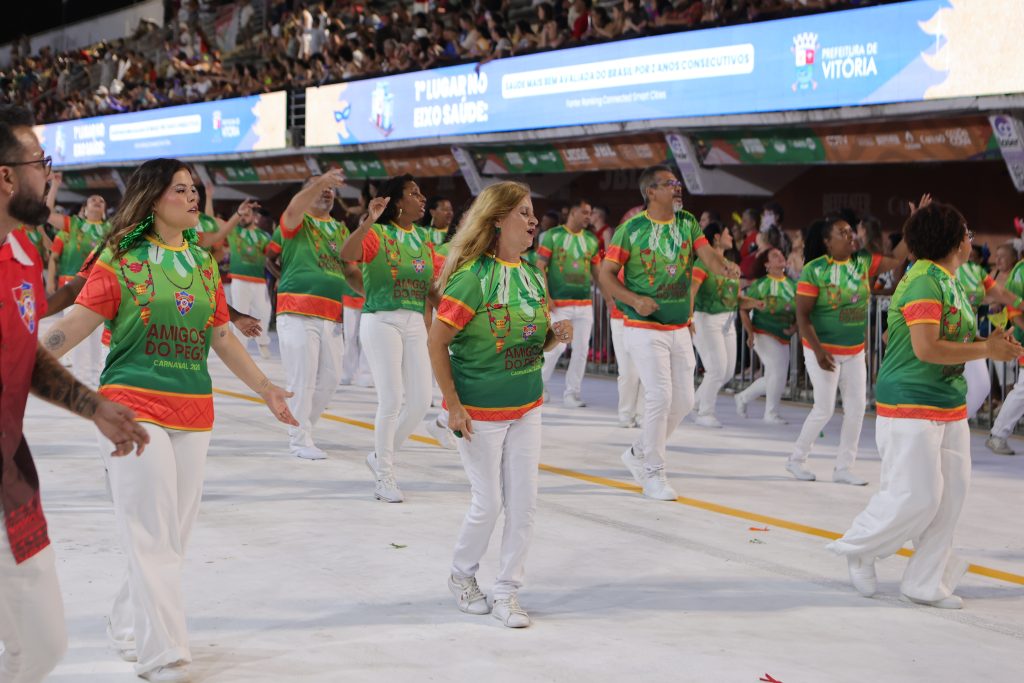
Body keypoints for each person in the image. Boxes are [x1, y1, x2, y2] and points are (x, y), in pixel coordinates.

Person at [41, 158, 296, 683]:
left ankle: (126, 623)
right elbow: (76, 323)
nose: (192, 196)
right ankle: (166, 655)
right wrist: (19, 359)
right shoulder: (121, 257)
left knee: (170, 538)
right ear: (154, 199)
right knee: (151, 534)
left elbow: (220, 335)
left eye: (193, 188)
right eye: (180, 189)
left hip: (194, 409)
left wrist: (266, 387)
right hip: (131, 405)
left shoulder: (203, 262)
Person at [0, 108, 149, 683]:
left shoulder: (22, 254)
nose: (49, 175)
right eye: (40, 163)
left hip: (11, 476)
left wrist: (93, 406)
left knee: (43, 644)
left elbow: (25, 352)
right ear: (6, 176)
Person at [828, 202, 1021, 609]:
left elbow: (954, 339)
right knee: (917, 496)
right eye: (967, 234)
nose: (971, 241)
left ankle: (924, 581)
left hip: (947, 402)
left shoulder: (950, 279)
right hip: (909, 401)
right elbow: (927, 348)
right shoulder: (922, 282)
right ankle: (860, 548)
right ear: (952, 241)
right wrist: (986, 349)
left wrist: (990, 343)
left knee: (950, 499)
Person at [428, 181, 570, 629]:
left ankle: (507, 590)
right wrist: (453, 405)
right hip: (480, 412)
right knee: (488, 504)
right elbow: (437, 342)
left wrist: (553, 337)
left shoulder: (532, 275)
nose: (533, 220)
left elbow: (531, 342)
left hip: (527, 405)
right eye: (523, 213)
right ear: (496, 220)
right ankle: (461, 575)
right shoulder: (472, 278)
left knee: (524, 504)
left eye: (533, 213)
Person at [599, 165, 740, 500]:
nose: (678, 188)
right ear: (651, 191)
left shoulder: (687, 223)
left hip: (678, 327)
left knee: (686, 400)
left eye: (678, 183)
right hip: (644, 327)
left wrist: (724, 267)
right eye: (669, 184)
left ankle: (637, 452)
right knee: (659, 396)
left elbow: (707, 256)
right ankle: (653, 473)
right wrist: (634, 300)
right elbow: (606, 275)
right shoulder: (631, 230)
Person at [340, 174, 442, 503]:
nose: (422, 198)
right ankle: (385, 476)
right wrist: (369, 220)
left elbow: (431, 288)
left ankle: (378, 456)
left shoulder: (425, 239)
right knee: (392, 399)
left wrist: (454, 315)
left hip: (415, 321)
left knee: (421, 401)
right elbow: (347, 253)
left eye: (421, 192)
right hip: (381, 318)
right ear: (397, 201)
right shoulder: (379, 234)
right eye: (414, 193)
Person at [788, 213, 910, 485]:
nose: (850, 235)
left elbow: (897, 257)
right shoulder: (814, 270)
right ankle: (796, 459)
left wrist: (913, 222)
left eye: (850, 231)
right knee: (824, 408)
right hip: (822, 350)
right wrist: (818, 351)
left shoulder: (862, 262)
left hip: (854, 351)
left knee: (856, 409)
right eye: (842, 233)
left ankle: (844, 467)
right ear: (827, 241)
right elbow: (803, 316)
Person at [269, 169, 353, 461]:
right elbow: (293, 209)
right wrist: (321, 181)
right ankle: (299, 439)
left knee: (331, 379)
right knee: (302, 379)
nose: (327, 191)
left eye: (331, 189)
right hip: (297, 311)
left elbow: (350, 270)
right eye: (319, 187)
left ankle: (302, 427)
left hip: (332, 315)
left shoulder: (341, 229)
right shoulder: (297, 220)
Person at [689, 221, 762, 427]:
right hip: (706, 319)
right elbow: (691, 292)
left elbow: (735, 299)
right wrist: (689, 319)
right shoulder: (702, 264)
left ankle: (694, 403)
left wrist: (756, 303)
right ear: (716, 238)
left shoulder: (731, 265)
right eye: (728, 233)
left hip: (728, 321)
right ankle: (705, 412)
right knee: (717, 369)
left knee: (728, 372)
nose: (732, 237)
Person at [537, 198, 603, 407]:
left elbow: (598, 273)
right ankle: (538, 387)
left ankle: (572, 394)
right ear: (573, 213)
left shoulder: (591, 239)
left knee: (581, 350)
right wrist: (546, 297)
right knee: (555, 348)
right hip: (559, 305)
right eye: (584, 212)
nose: (588, 217)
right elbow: (539, 266)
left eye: (590, 213)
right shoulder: (553, 236)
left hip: (584, 305)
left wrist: (610, 299)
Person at [45, 176, 110, 385]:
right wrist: (54, 186)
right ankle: (81, 378)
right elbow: (47, 214)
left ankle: (96, 377)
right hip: (74, 285)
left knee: (97, 333)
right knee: (78, 331)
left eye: (101, 200)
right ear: (84, 208)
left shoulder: (111, 229)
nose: (98, 201)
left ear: (105, 209)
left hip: (101, 286)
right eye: (93, 199)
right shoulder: (73, 225)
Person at [736, 248, 797, 424]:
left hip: (783, 335)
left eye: (781, 254)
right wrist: (750, 333)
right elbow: (743, 308)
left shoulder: (794, 285)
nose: (780, 257)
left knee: (777, 376)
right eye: (774, 256)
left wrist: (794, 328)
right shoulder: (760, 285)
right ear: (767, 265)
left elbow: (801, 311)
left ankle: (743, 397)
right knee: (777, 373)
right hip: (762, 332)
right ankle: (771, 413)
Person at [955, 255, 1020, 421]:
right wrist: (988, 346)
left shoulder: (974, 270)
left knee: (981, 385)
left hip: (967, 334)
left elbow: (1000, 294)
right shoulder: (933, 272)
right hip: (949, 337)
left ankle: (956, 421)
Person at [223, 198, 272, 357]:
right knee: (240, 313)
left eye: (247, 215)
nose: (243, 218)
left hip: (259, 281)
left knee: (265, 312)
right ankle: (240, 349)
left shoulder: (264, 236)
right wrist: (239, 211)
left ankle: (262, 342)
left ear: (254, 217)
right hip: (239, 280)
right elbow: (220, 226)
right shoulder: (233, 231)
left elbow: (272, 257)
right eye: (241, 215)